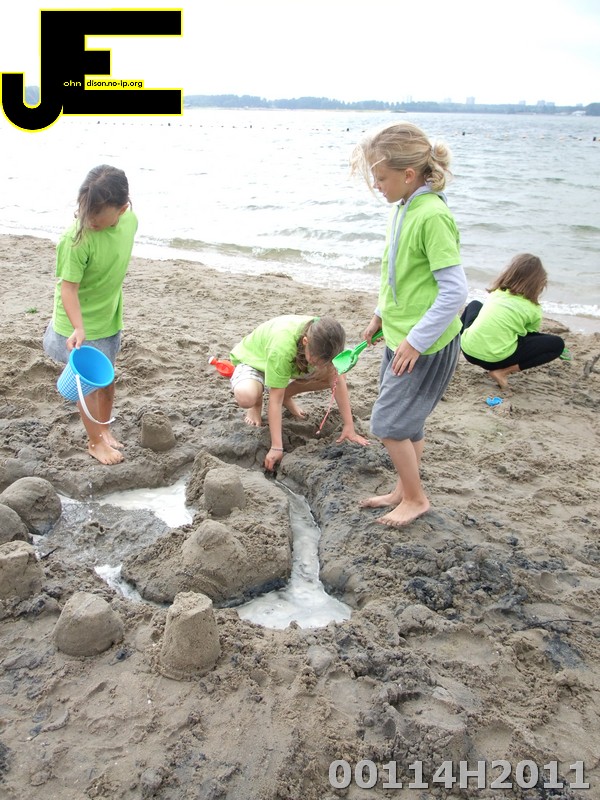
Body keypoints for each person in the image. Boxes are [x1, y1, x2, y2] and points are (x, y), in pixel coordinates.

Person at [350, 122, 468, 527]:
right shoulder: (403, 208)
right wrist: (380, 315)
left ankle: (416, 498)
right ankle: (404, 489)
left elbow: (455, 291)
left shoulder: (431, 215)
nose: (376, 186)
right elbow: (396, 273)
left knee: (387, 424)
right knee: (407, 421)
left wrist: (416, 341)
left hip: (426, 344)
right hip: (401, 335)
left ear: (409, 174)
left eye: (381, 178)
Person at [43, 164, 137, 465]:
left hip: (108, 317)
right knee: (88, 385)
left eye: (97, 216)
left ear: (122, 209)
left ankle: (104, 429)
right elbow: (68, 289)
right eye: (86, 211)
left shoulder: (131, 221)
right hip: (77, 324)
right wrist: (79, 327)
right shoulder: (76, 239)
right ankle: (95, 442)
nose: (89, 220)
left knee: (108, 379)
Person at [229, 314, 369, 471]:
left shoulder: (324, 337)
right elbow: (275, 400)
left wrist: (349, 426)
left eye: (326, 362)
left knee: (336, 374)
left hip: (292, 360)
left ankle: (287, 395)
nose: (321, 366)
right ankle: (256, 402)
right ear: (305, 342)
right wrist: (276, 447)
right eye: (317, 361)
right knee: (246, 397)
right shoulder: (282, 348)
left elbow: (337, 381)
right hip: (256, 362)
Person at [460, 253, 565, 390]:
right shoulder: (533, 309)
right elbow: (528, 335)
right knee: (557, 344)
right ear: (538, 285)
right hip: (496, 360)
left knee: (474, 304)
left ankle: (453, 355)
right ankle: (502, 372)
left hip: (468, 351)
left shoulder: (497, 293)